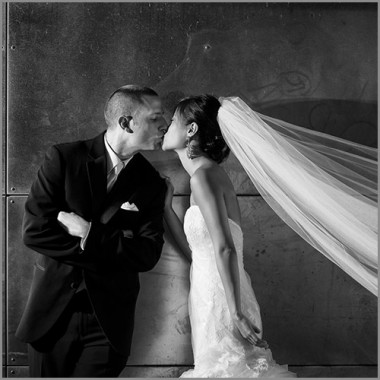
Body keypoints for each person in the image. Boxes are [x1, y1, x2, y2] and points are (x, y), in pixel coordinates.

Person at [15, 85, 168, 377]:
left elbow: (147, 255)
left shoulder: (152, 183)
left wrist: (88, 233)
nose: (165, 124)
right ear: (126, 122)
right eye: (156, 117)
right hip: (52, 317)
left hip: (109, 324)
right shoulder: (64, 158)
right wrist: (113, 251)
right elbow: (34, 232)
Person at [162, 95, 297, 377]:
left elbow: (225, 248)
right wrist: (166, 210)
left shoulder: (204, 177)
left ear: (191, 130)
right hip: (208, 297)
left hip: (223, 301)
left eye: (173, 121)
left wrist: (236, 314)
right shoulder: (206, 175)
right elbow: (201, 251)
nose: (165, 127)